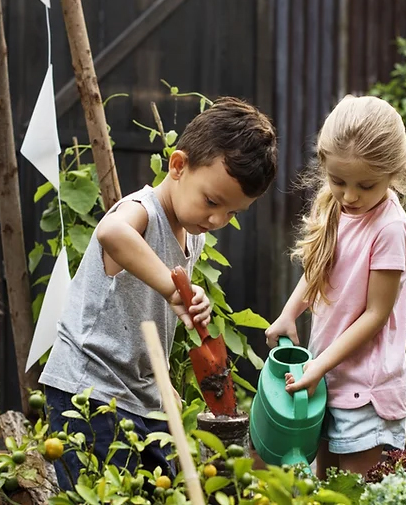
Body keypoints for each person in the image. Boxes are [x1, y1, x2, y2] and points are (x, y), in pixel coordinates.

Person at [39, 97, 277, 488]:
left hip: (141, 395)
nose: (218, 220)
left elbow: (149, 314)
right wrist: (173, 289)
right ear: (179, 166)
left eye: (233, 213)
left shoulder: (191, 233)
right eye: (213, 202)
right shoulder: (141, 210)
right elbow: (111, 234)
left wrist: (167, 363)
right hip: (89, 391)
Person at [265, 95, 406, 477]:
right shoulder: (334, 206)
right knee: (323, 487)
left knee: (355, 491)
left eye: (366, 185)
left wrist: (318, 365)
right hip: (327, 377)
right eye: (338, 181)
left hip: (367, 389)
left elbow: (376, 315)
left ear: (393, 172)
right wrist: (289, 313)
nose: (350, 195)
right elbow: (320, 267)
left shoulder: (389, 228)